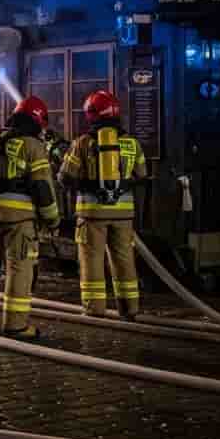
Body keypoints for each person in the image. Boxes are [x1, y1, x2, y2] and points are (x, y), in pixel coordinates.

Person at [0, 96, 60, 339]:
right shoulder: (33, 146)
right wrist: (53, 219)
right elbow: (43, 188)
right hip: (19, 220)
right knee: (19, 268)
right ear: (38, 121)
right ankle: (15, 325)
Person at [59, 90, 148, 321]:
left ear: (92, 114)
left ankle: (94, 309)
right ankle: (129, 309)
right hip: (124, 215)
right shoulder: (132, 143)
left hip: (92, 215)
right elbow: (142, 176)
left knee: (92, 260)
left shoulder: (83, 143)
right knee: (124, 260)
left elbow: (65, 178)